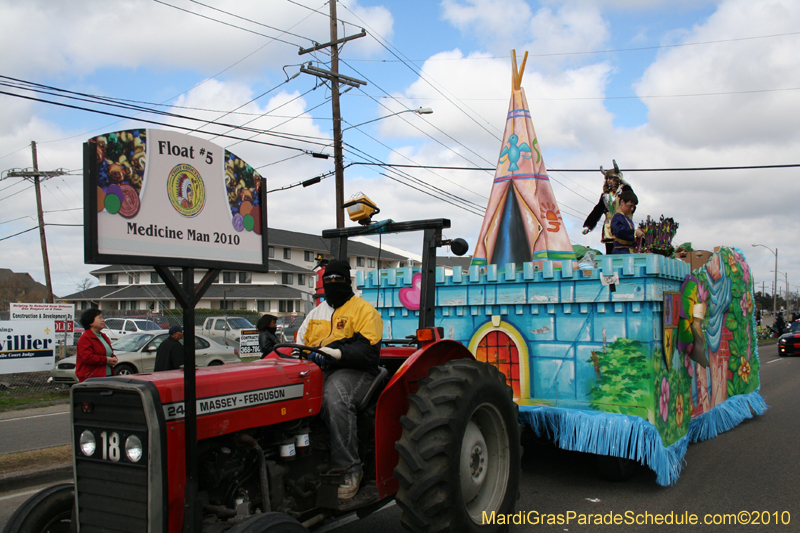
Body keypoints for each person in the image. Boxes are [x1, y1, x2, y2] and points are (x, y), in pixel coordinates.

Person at [295, 259, 383, 500]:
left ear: (347, 281)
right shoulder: (315, 314)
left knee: (335, 398)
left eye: (338, 278)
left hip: (356, 371)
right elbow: (299, 345)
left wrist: (337, 353)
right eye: (328, 279)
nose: (333, 283)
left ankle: (348, 469)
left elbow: (368, 352)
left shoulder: (364, 311)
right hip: (317, 370)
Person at [582, 160, 634, 254]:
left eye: (612, 178)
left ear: (617, 179)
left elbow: (632, 199)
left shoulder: (623, 192)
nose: (609, 181)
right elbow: (597, 211)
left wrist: (625, 184)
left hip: (622, 225)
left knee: (623, 250)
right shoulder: (605, 196)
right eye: (608, 179)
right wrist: (589, 226)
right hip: (609, 227)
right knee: (610, 252)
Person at [76, 309, 118, 382]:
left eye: (103, 318)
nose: (103, 320)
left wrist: (113, 358)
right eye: (100, 318)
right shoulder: (85, 338)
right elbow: (87, 357)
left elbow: (108, 353)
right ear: (90, 322)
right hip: (92, 379)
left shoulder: (104, 336)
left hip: (107, 376)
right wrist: (106, 360)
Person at [610, 189, 644, 254]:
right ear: (622, 202)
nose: (632, 209)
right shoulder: (617, 217)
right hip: (621, 252)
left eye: (633, 207)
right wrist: (635, 233)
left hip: (630, 252)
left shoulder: (628, 219)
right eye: (630, 206)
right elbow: (619, 231)